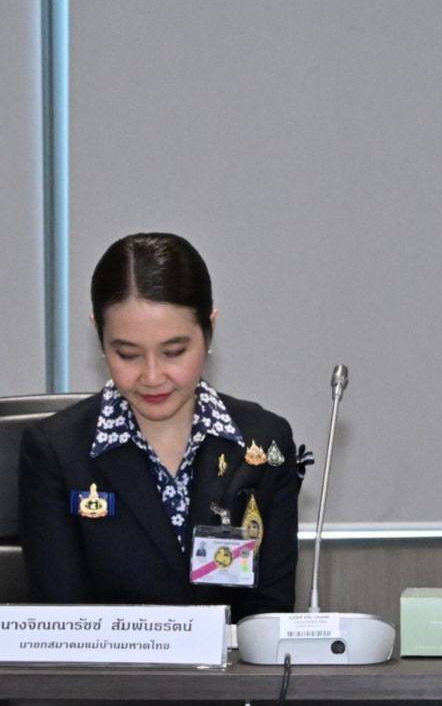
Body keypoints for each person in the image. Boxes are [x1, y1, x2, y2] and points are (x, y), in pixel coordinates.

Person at [19, 233, 305, 620]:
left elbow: (268, 616)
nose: (152, 377)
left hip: (231, 662)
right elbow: (62, 620)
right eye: (128, 354)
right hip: (106, 661)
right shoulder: (56, 451)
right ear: (98, 335)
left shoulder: (263, 442)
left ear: (210, 330)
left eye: (174, 352)